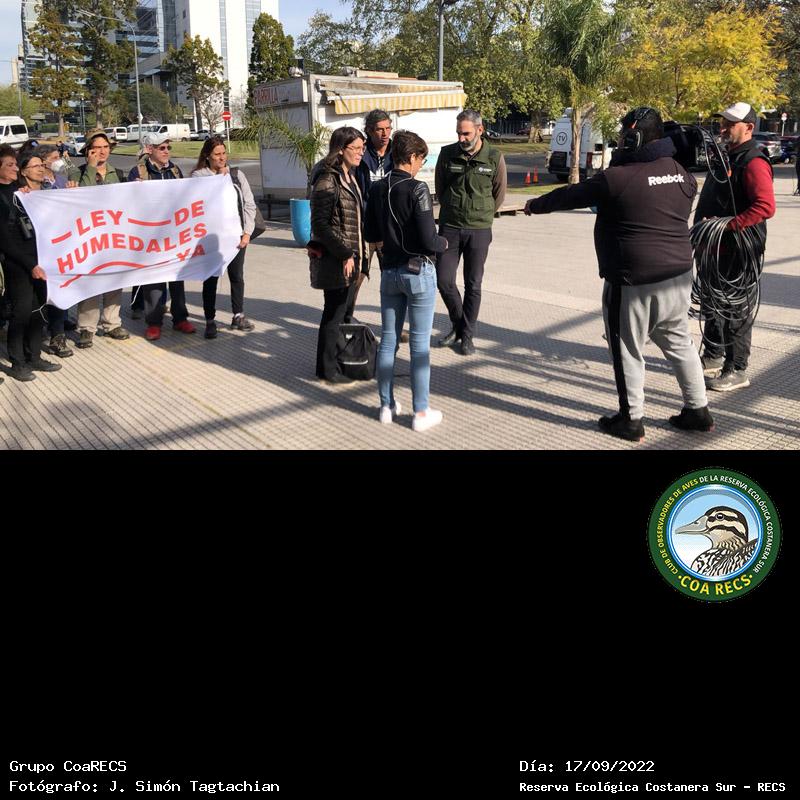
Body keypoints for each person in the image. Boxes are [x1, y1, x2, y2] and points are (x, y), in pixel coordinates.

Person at [524, 107, 713, 442]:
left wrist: (534, 204)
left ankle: (631, 420)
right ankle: (698, 411)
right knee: (679, 343)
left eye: (625, 134)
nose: (620, 140)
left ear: (634, 137)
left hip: (632, 280)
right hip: (679, 275)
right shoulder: (683, 175)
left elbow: (570, 195)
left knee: (627, 349)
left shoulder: (618, 178)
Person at [364, 130, 449, 431]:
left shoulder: (377, 188)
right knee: (419, 345)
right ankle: (421, 412)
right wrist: (444, 243)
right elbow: (428, 239)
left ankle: (386, 406)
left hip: (389, 272)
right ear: (411, 157)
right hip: (418, 271)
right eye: (421, 160)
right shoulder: (418, 188)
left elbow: (370, 234)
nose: (420, 166)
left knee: (388, 341)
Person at [694, 102, 776, 391]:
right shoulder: (727, 156)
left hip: (738, 250)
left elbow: (765, 207)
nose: (723, 128)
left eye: (730, 124)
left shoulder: (753, 161)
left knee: (735, 308)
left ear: (749, 128)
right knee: (712, 302)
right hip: (714, 249)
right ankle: (713, 355)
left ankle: (737, 369)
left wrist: (725, 226)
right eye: (723, 122)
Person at [434, 109, 507, 355]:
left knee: (473, 284)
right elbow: (441, 188)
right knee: (444, 280)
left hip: (479, 229)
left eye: (466, 133)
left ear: (480, 130)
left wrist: (482, 214)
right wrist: (453, 208)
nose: (461, 138)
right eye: (458, 133)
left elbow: (499, 193)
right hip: (450, 227)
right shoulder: (447, 154)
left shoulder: (494, 157)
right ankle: (458, 324)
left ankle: (466, 336)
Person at [309, 127, 368, 384]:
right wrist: (345, 253)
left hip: (349, 257)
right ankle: (327, 370)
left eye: (362, 148)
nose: (361, 153)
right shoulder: (327, 179)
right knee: (333, 313)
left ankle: (330, 365)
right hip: (336, 258)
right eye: (356, 148)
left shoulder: (348, 176)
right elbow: (320, 225)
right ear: (341, 149)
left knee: (338, 312)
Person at [0, 151, 62, 381]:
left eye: (16, 164)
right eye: (9, 165)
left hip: (38, 260)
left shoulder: (20, 192)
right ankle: (17, 362)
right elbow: (5, 240)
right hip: (17, 263)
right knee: (21, 312)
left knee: (38, 309)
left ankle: (34, 356)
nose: (15, 168)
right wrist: (30, 264)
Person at [65, 130, 131, 351]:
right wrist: (91, 168)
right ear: (88, 151)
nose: (102, 151)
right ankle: (87, 327)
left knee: (113, 280)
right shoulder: (77, 173)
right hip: (89, 238)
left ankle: (112, 323)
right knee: (90, 282)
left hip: (113, 235)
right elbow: (81, 197)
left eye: (105, 147)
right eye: (97, 148)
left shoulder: (117, 173)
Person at [127, 133, 196, 341]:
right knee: (154, 280)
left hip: (174, 235)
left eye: (168, 148)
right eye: (162, 148)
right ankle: (154, 322)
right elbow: (128, 203)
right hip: (150, 237)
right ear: (150, 150)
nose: (166, 151)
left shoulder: (175, 170)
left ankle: (180, 318)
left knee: (177, 279)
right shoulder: (138, 172)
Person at [191, 136, 256, 338]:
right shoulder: (198, 177)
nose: (221, 158)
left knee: (237, 276)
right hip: (211, 240)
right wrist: (218, 179)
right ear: (207, 156)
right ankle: (210, 320)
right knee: (211, 279)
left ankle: (238, 315)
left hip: (236, 237)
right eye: (217, 154)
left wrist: (247, 233)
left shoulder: (237, 175)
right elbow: (198, 205)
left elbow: (249, 204)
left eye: (224, 153)